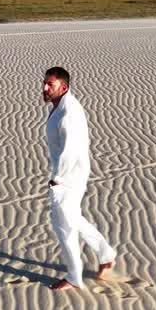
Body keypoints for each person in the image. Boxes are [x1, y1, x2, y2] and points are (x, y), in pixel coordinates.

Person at [41, 66, 117, 291]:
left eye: (50, 85)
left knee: (63, 226)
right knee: (72, 218)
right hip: (70, 174)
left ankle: (75, 276)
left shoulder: (68, 115)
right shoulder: (61, 106)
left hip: (68, 178)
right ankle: (106, 254)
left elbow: (69, 151)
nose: (44, 88)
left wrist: (57, 179)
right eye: (44, 83)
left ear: (63, 88)